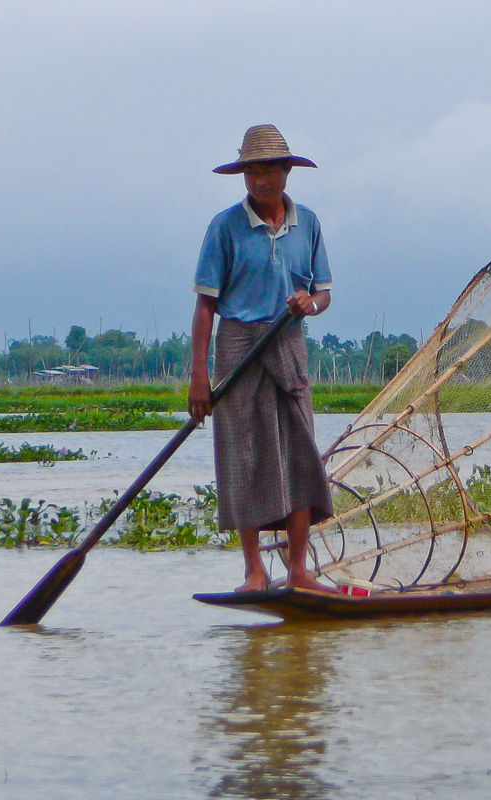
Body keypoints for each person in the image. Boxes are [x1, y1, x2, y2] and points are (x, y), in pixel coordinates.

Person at [188, 124, 334, 592]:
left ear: (286, 172)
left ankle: (297, 572)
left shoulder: (307, 223)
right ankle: (254, 572)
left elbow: (324, 291)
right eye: (252, 172)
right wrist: (199, 376)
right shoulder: (224, 227)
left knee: (300, 454)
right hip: (237, 346)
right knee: (243, 454)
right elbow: (206, 306)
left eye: (270, 170)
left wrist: (308, 303)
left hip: (288, 342)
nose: (260, 181)